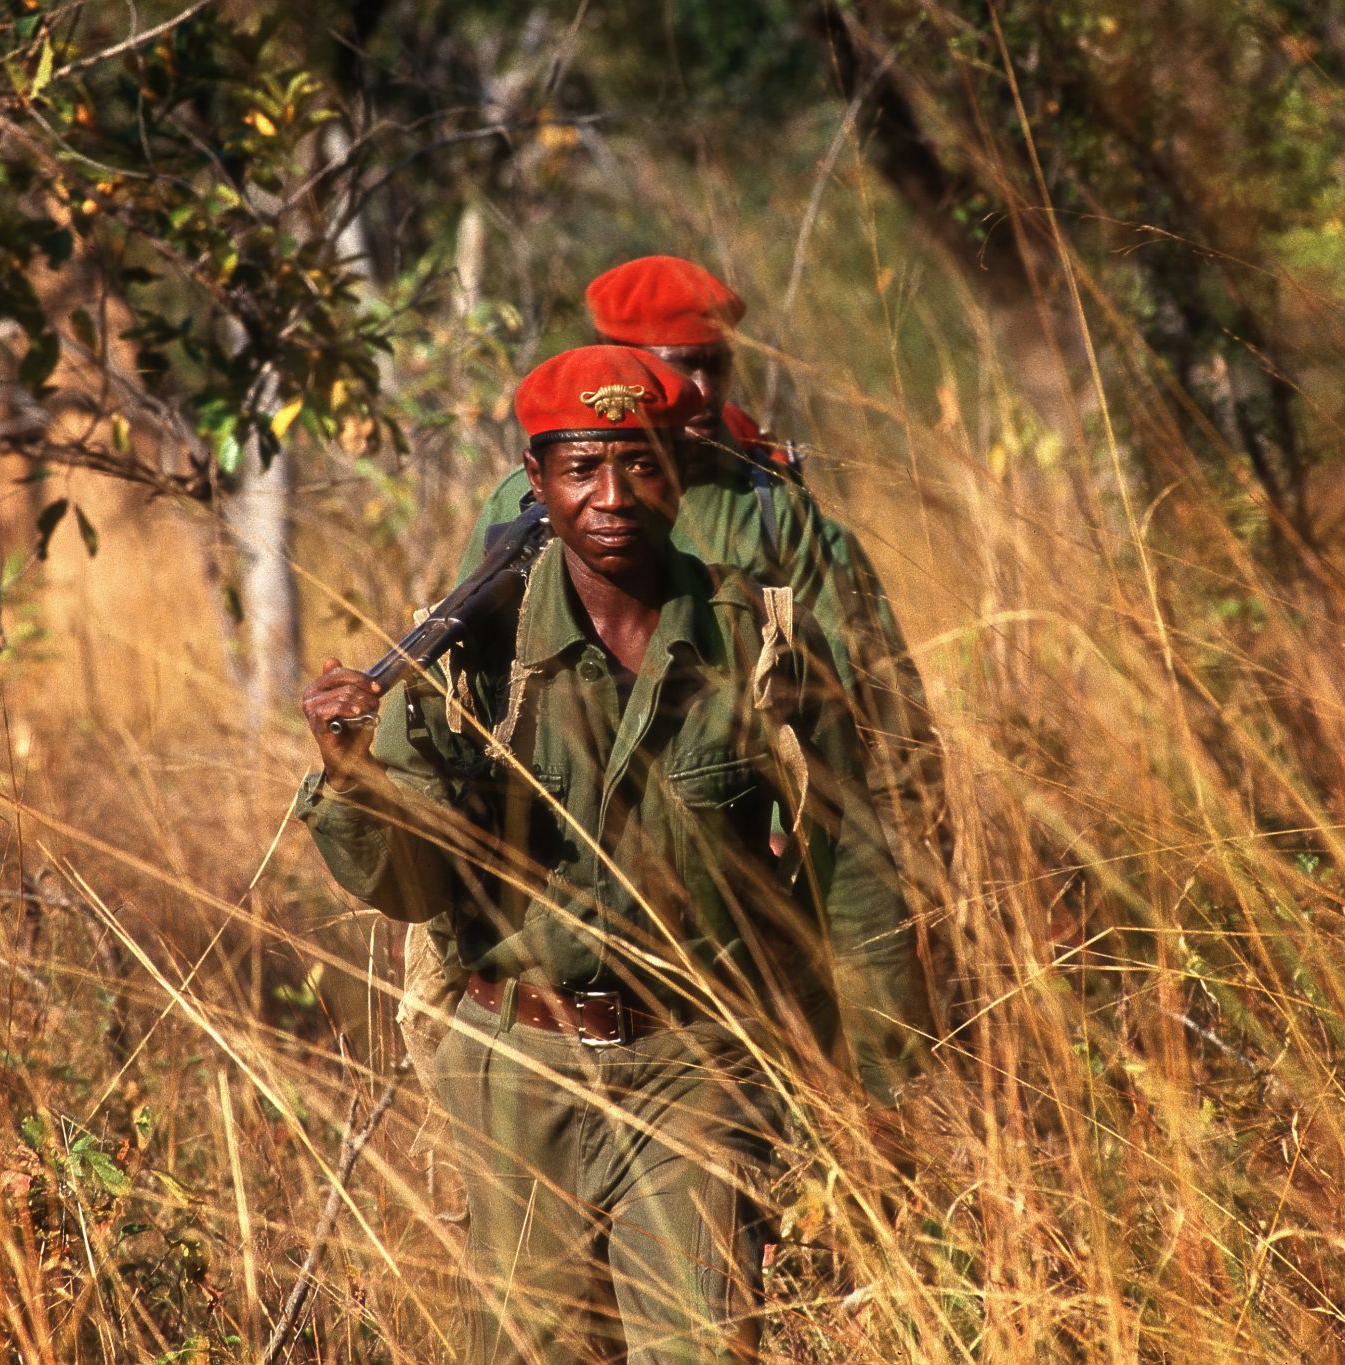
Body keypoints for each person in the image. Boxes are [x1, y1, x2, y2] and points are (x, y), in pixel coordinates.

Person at [295, 346, 933, 1362]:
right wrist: (350, 774)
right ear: (534, 481)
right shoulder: (463, 654)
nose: (610, 496)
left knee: (699, 1344)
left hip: (697, 1059)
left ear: (676, 474)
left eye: (638, 464)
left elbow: (853, 863)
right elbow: (404, 883)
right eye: (580, 467)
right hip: (514, 1060)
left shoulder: (757, 637)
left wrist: (878, 1082)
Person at [400, 256, 950, 1078]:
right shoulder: (527, 502)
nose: (696, 389)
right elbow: (474, 690)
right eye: (671, 366)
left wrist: (896, 910)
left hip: (732, 891)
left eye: (712, 365)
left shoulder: (771, 507)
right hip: (546, 892)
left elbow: (872, 715)